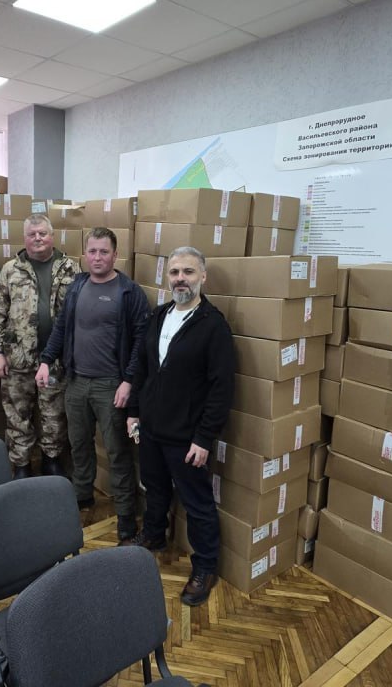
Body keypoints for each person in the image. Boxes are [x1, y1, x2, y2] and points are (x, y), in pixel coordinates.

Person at [125, 246, 234, 608]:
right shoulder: (158, 316)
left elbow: (221, 388)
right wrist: (134, 411)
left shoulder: (213, 325)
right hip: (152, 427)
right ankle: (154, 535)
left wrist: (204, 438)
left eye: (188, 272)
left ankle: (204, 568)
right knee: (154, 488)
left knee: (197, 503)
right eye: (174, 272)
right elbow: (143, 368)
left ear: (203, 276)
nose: (180, 279)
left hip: (186, 436)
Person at [36, 227, 148, 543]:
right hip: (76, 382)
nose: (97, 257)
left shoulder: (129, 292)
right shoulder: (78, 286)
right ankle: (82, 496)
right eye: (92, 251)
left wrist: (128, 381)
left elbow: (141, 342)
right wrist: (46, 360)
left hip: (110, 385)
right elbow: (62, 327)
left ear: (115, 255)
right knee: (79, 444)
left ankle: (125, 517)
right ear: (85, 254)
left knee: (117, 452)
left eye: (104, 252)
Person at [0, 214, 80, 479]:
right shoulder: (10, 269)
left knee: (54, 415)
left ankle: (52, 460)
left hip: (56, 360)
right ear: (24, 238)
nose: (38, 238)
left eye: (43, 233)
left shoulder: (70, 269)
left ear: (52, 236)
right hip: (17, 359)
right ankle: (22, 465)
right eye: (32, 234)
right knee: (18, 416)